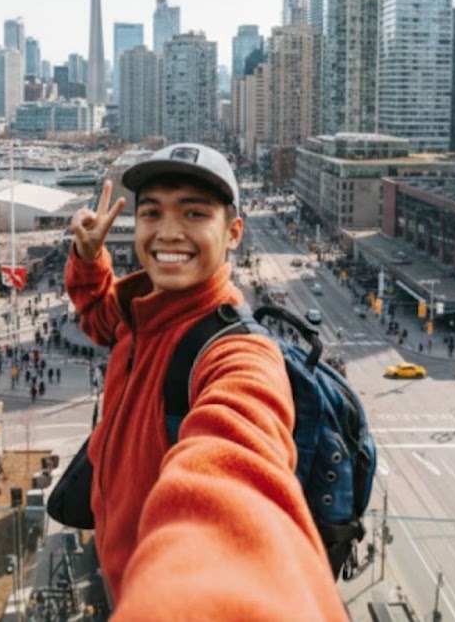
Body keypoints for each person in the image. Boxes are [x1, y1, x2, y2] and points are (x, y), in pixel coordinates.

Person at [65, 144, 342, 619]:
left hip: (153, 591)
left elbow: (233, 482)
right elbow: (97, 319)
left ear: (234, 232)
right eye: (152, 213)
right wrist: (88, 260)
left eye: (194, 213)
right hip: (123, 578)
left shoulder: (236, 353)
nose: (168, 231)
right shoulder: (140, 311)